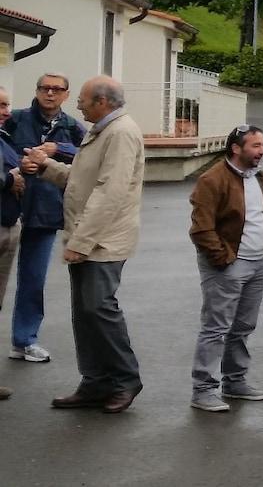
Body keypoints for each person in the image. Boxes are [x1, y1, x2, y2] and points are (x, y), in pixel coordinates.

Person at [21, 76, 145, 412]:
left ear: (102, 102)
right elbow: (80, 179)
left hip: (102, 242)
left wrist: (81, 241)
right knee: (85, 314)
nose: (77, 104)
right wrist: (46, 165)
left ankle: (124, 380)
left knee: (99, 310)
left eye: (84, 100)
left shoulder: (119, 133)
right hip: (89, 237)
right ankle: (95, 382)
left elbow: (110, 193)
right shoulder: (102, 128)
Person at [187, 124, 263, 412]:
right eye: (255, 146)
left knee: (242, 326)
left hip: (257, 262)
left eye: (262, 145)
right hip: (228, 265)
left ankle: (235, 382)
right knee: (216, 328)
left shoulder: (259, 177)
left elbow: (258, 217)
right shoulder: (211, 180)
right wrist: (224, 259)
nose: (262, 151)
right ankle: (203, 390)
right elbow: (202, 229)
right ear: (236, 148)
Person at [4, 72, 86, 364]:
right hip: (9, 207)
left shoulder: (72, 126)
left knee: (33, 279)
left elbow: (91, 155)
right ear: (36, 90)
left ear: (66, 94)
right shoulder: (15, 119)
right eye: (44, 88)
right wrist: (17, 163)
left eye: (57, 89)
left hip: (45, 212)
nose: (50, 93)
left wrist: (59, 148)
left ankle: (24, 340)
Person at [0, 87, 17, 402]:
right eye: (0, 105)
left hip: (9, 226)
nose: (6, 110)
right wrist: (10, 178)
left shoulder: (4, 137)